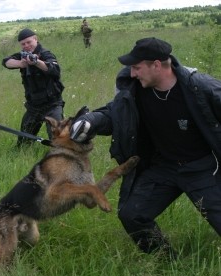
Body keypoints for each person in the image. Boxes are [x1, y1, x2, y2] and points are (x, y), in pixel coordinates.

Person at [70, 37, 221, 259]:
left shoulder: (200, 88)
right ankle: (167, 261)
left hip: (203, 169)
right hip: (163, 168)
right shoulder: (136, 90)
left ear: (157, 65)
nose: (132, 74)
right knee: (132, 214)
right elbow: (115, 113)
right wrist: (91, 121)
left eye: (136, 67)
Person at [2, 28, 65, 147]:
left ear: (35, 39)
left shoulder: (46, 54)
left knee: (58, 142)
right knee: (23, 145)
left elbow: (54, 69)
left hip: (52, 104)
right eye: (23, 44)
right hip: (33, 107)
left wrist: (37, 62)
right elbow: (6, 62)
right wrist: (20, 64)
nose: (26, 45)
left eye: (29, 42)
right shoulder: (22, 56)